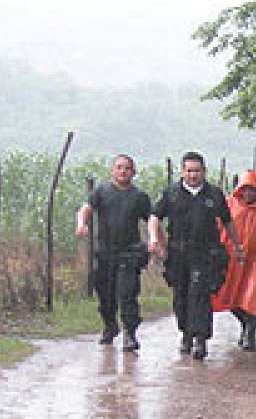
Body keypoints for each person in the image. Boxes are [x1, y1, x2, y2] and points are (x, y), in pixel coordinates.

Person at [150, 151, 241, 361]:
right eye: (189, 171)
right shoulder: (171, 193)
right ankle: (186, 334)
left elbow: (227, 221)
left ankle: (201, 339)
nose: (193, 175)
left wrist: (237, 246)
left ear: (204, 172)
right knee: (181, 296)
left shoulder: (214, 194)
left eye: (197, 171)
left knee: (200, 295)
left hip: (205, 253)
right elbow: (155, 216)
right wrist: (155, 239)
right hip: (178, 254)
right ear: (182, 172)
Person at [74, 154, 152, 352]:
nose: (123, 171)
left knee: (127, 294)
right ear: (112, 171)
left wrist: (155, 240)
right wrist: (81, 223)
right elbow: (86, 208)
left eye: (127, 168)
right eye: (119, 167)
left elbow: (152, 219)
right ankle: (110, 326)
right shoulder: (102, 191)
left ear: (133, 172)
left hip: (129, 253)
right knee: (105, 295)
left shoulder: (139, 197)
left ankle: (130, 333)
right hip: (105, 253)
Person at [212, 169, 256, 351]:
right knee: (229, 297)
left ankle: (250, 330)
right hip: (232, 260)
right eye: (245, 189)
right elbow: (218, 228)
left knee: (252, 298)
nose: (248, 194)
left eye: (252, 189)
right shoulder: (229, 205)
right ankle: (245, 324)